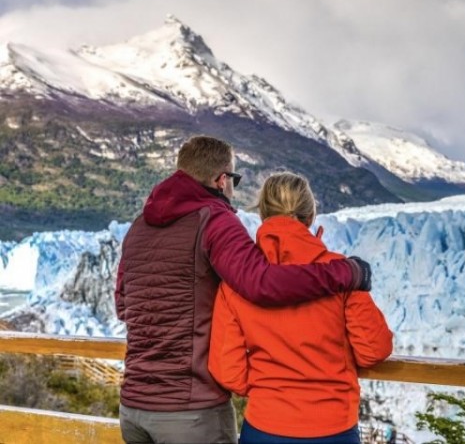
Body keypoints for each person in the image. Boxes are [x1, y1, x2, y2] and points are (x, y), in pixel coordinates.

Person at [115, 136, 372, 444]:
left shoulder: (139, 226)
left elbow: (123, 306)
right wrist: (347, 272)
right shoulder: (215, 220)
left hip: (133, 408)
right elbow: (261, 283)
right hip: (189, 413)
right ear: (222, 180)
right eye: (234, 179)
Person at [209, 171, 393, 444]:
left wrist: (269, 390)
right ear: (310, 216)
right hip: (333, 428)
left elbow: (228, 371)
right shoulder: (343, 274)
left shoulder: (237, 283)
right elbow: (373, 350)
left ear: (263, 214)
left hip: (265, 427)